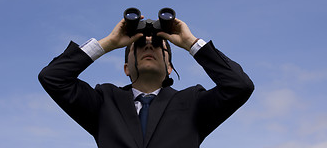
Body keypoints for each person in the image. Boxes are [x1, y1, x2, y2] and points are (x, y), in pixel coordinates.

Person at [38, 14, 254, 148]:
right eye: (139, 45)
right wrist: (109, 42)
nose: (149, 46)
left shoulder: (193, 102)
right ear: (125, 68)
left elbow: (239, 86)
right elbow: (53, 77)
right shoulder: (104, 102)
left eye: (160, 45)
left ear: (170, 68)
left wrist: (190, 43)